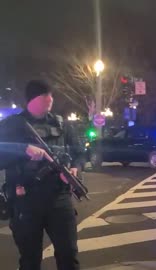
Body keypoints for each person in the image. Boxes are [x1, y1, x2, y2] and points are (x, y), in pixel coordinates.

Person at [0, 80, 83, 269]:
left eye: (51, 95)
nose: (50, 99)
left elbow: (78, 152)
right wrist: (23, 150)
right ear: (33, 99)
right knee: (30, 260)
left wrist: (75, 168)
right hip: (25, 200)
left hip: (59, 198)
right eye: (46, 95)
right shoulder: (12, 126)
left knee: (69, 255)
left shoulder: (61, 125)